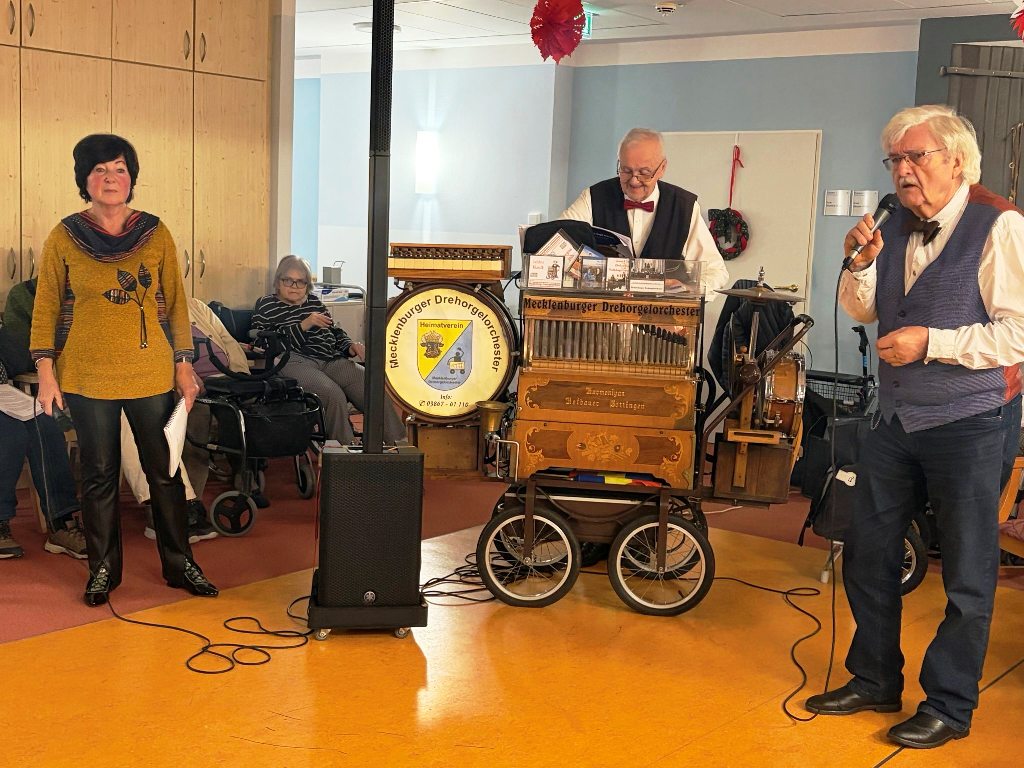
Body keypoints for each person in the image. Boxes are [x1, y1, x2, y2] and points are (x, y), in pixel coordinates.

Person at [806, 105, 1024, 749]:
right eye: (895, 159)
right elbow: (865, 310)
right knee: (867, 550)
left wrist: (932, 342)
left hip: (972, 421)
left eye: (916, 156)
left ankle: (949, 706)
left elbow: (1017, 333)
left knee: (966, 571)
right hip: (897, 416)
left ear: (957, 160)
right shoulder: (894, 224)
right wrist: (859, 264)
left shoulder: (1000, 224)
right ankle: (874, 678)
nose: (903, 170)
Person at [29, 133, 218, 605]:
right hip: (87, 375)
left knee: (165, 472)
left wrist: (183, 364)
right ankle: (103, 571)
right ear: (85, 180)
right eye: (99, 170)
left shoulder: (155, 232)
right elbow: (46, 307)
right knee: (99, 476)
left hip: (150, 373)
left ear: (131, 179)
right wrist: (46, 371)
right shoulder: (64, 236)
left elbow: (176, 305)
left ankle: (181, 564)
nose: (110, 178)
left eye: (119, 169)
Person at [120, 297, 252, 541]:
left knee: (206, 411)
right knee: (186, 414)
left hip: (216, 381)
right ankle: (165, 509)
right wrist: (183, 376)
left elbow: (228, 342)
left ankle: (190, 504)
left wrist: (240, 377)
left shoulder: (194, 306)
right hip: (158, 384)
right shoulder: (132, 306)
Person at [251, 255, 405, 446]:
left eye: (300, 282)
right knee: (332, 394)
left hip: (330, 359)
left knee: (371, 385)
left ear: (307, 285)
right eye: (288, 280)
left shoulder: (314, 302)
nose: (294, 286)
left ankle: (399, 445)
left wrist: (350, 346)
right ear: (278, 281)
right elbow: (263, 343)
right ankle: (343, 450)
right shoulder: (266, 304)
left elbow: (335, 331)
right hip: (293, 359)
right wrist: (304, 324)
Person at [559, 127, 730, 297]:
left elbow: (716, 271)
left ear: (662, 168)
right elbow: (555, 242)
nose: (634, 181)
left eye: (644, 173)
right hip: (603, 312)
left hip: (662, 313)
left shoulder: (684, 206)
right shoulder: (593, 197)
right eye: (626, 170)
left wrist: (686, 289)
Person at [0, 326, 87, 559]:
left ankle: (61, 522)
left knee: (45, 424)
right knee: (11, 432)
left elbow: (16, 362)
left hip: (3, 393)